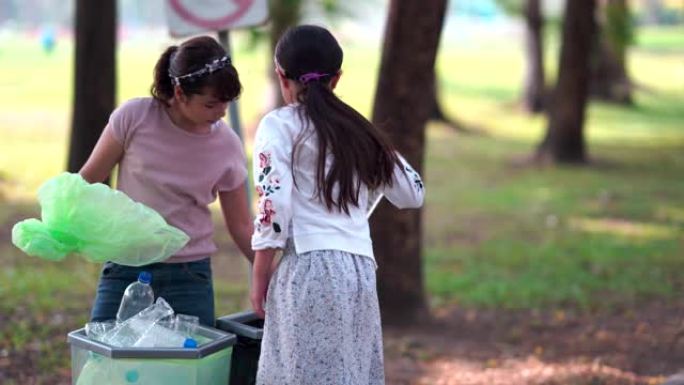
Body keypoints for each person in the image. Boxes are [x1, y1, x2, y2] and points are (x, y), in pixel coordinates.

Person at [250, 25, 425, 385]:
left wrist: (260, 274)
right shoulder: (356, 130)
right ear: (337, 78)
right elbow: (413, 193)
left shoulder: (279, 126)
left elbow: (274, 204)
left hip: (308, 268)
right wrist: (375, 142)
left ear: (281, 76)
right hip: (358, 272)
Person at [79, 36, 253, 327]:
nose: (222, 112)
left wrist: (270, 276)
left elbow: (241, 224)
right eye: (211, 104)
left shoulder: (227, 144)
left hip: (190, 275)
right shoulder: (134, 117)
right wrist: (63, 224)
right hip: (126, 267)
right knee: (104, 360)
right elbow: (88, 181)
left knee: (189, 369)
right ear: (180, 92)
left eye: (226, 103)